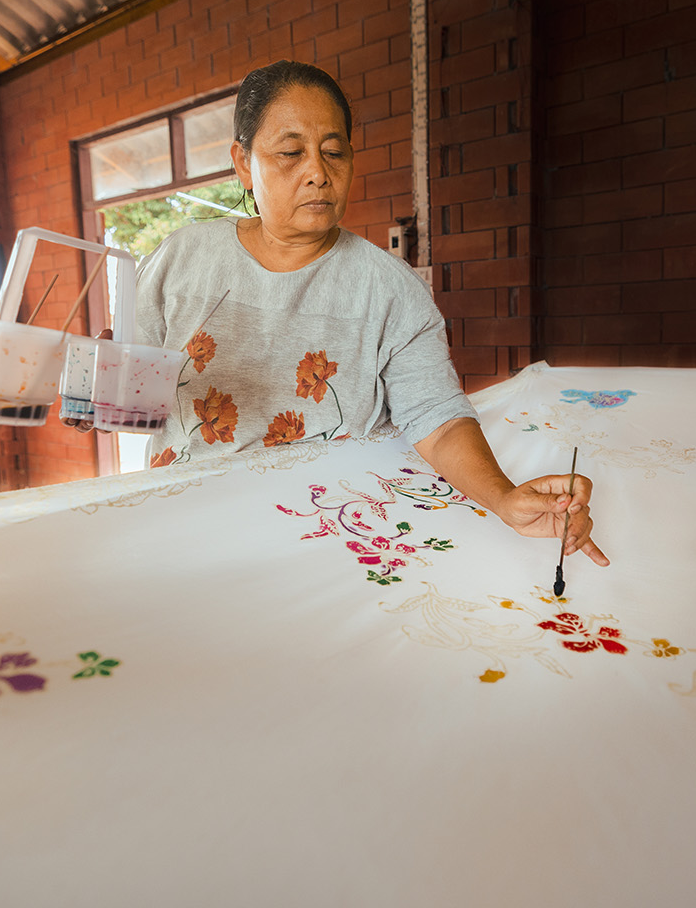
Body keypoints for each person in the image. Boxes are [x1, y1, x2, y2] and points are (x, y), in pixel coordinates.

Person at [110, 60, 607, 566]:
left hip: (327, 538)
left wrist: (503, 498)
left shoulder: (388, 288)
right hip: (185, 531)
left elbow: (436, 418)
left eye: (333, 152)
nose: (317, 174)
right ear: (243, 162)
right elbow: (131, 399)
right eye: (290, 153)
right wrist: (98, 391)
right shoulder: (182, 259)